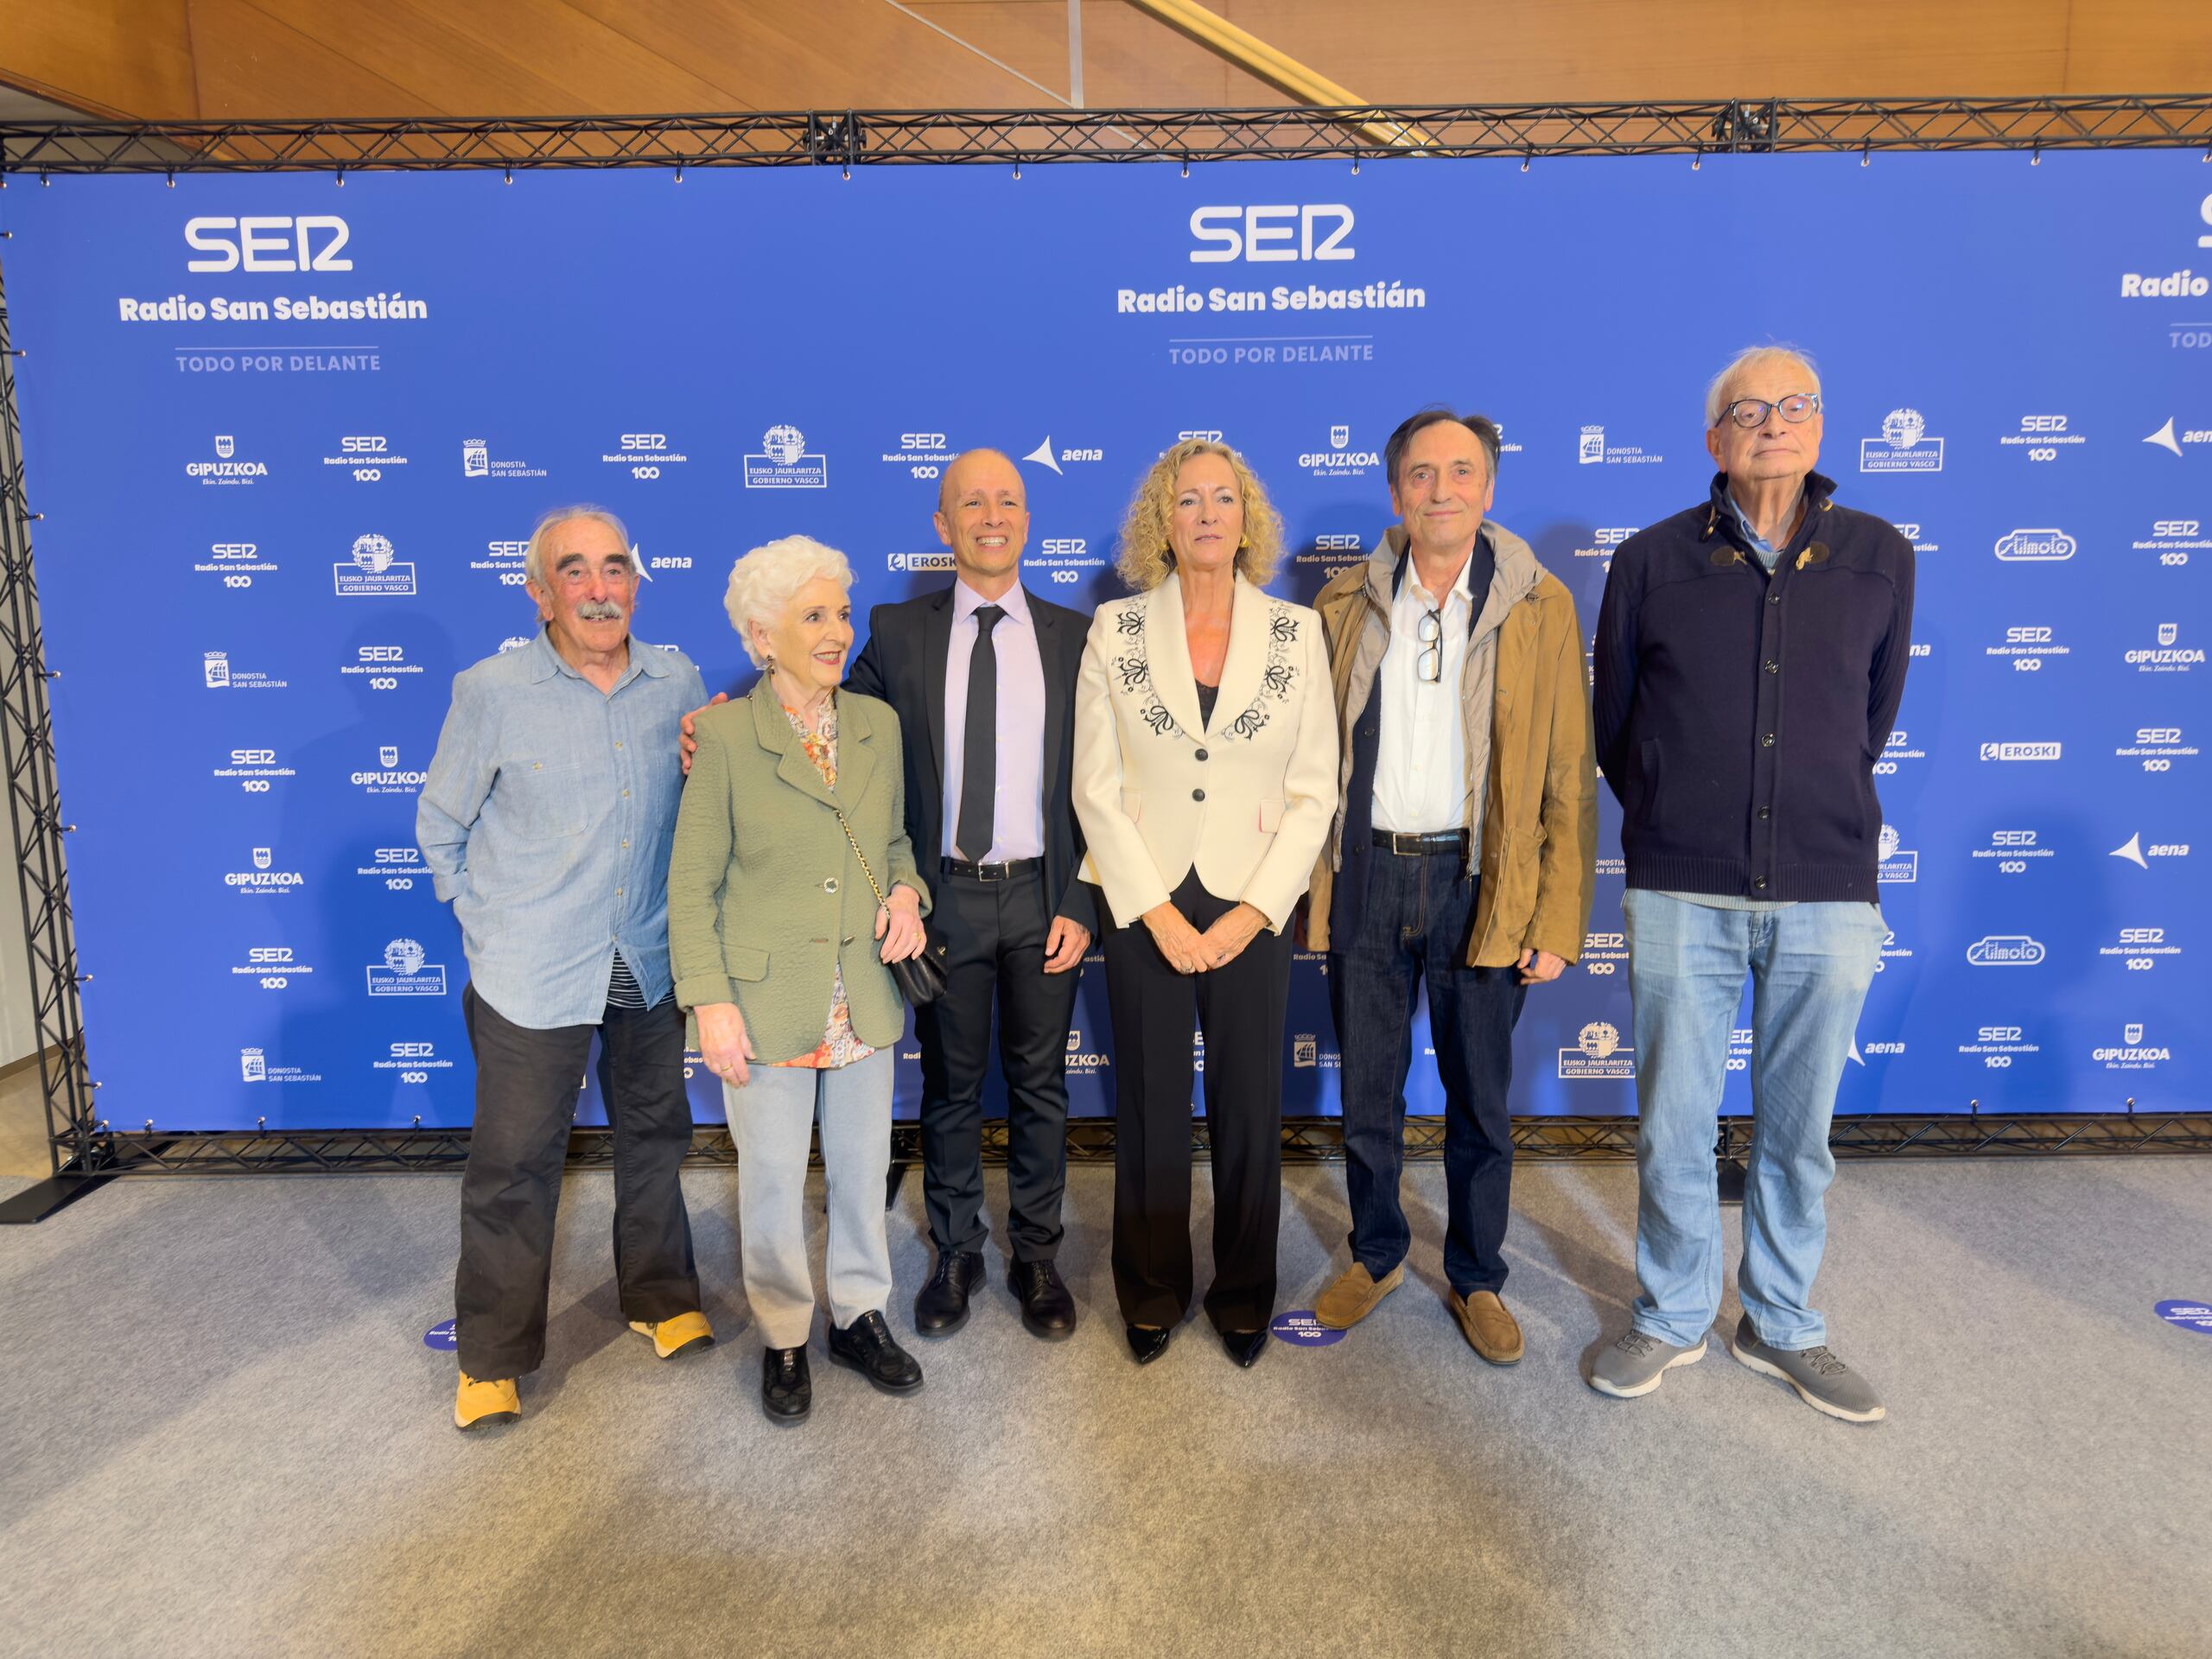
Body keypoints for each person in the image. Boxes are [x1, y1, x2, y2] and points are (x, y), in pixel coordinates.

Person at [1588, 346, 1913, 1423]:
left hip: (1827, 887)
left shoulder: (1880, 556)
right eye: (1748, 410)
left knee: (1796, 1133)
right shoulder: (1648, 561)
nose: (1772, 423)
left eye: (1794, 406)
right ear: (1713, 438)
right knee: (1673, 1126)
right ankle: (1673, 1312)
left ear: (1819, 428)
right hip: (1682, 886)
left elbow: (1868, 718)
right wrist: (1681, 810)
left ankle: (1779, 1322)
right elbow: (1616, 729)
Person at [1304, 408, 1597, 1364]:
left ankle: (1476, 1276)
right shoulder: (1342, 602)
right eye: (1421, 474)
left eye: (1460, 472)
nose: (1441, 490)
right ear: (1396, 492)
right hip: (1368, 873)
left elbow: (1567, 771)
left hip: (1483, 881)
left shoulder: (1539, 604)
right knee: (1369, 1095)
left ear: (1489, 488)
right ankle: (1376, 1254)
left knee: (1480, 1102)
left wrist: (1556, 916)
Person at [418, 505, 711, 1433]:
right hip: (532, 969)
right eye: (574, 571)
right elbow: (441, 825)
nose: (598, 589)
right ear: (540, 594)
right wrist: (488, 924)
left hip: (646, 957)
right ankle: (493, 1357)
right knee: (513, 1164)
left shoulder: (678, 681)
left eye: (614, 568)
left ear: (637, 585)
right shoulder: (491, 691)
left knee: (655, 1138)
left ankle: (661, 1298)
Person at [1071, 437, 1338, 1370]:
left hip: (1251, 900)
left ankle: (1244, 1293)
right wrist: (1153, 910)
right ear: (1163, 520)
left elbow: (1315, 789)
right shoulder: (1116, 631)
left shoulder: (1296, 633)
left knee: (1248, 1107)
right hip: (1143, 897)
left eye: (1224, 498)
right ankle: (1150, 1291)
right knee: (1149, 1106)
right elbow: (1095, 786)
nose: (1208, 514)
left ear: (1247, 517)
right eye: (1188, 500)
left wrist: (1254, 911)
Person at [669, 535, 931, 1423]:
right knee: (774, 1181)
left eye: (841, 613)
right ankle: (783, 1333)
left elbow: (893, 843)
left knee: (862, 1172)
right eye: (813, 615)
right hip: (763, 999)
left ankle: (859, 1314)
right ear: (761, 635)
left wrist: (906, 892)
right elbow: (691, 885)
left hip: (861, 992)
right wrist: (710, 1003)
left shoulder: (878, 724)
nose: (837, 632)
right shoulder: (723, 736)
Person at [844, 449, 1096, 1342]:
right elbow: (830, 723)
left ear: (1027, 520)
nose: (993, 516)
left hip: (1045, 898)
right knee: (950, 1088)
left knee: (1039, 1088)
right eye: (972, 502)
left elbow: (1106, 779)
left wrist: (1082, 899)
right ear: (942, 524)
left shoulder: (1077, 638)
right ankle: (956, 1252)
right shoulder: (896, 631)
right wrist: (722, 726)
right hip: (941, 897)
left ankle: (1037, 1256)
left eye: (1009, 501)